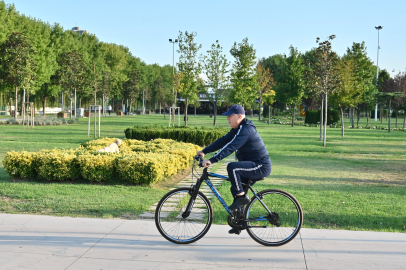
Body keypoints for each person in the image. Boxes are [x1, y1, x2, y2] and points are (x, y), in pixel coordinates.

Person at [197, 104, 272, 234]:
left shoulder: (246, 130)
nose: (227, 119)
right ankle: (240, 222)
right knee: (235, 188)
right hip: (252, 164)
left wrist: (212, 160)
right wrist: (204, 151)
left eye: (230, 116)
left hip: (260, 165)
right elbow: (223, 141)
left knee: (233, 167)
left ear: (239, 116)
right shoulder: (238, 129)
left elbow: (231, 147)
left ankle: (242, 198)